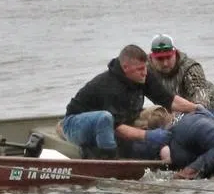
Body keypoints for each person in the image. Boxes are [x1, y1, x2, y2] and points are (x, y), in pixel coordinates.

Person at [61, 44, 200, 159]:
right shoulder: (109, 86)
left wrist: (196, 108)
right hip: (76, 124)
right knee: (105, 119)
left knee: (159, 117)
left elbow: (169, 100)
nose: (145, 72)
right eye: (140, 69)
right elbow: (117, 127)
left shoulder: (143, 75)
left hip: (119, 121)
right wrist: (148, 135)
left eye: (145, 67)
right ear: (125, 68)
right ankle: (107, 158)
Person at [143, 105, 214, 179]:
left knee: (180, 177)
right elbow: (208, 114)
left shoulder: (172, 136)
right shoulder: (194, 113)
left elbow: (177, 160)